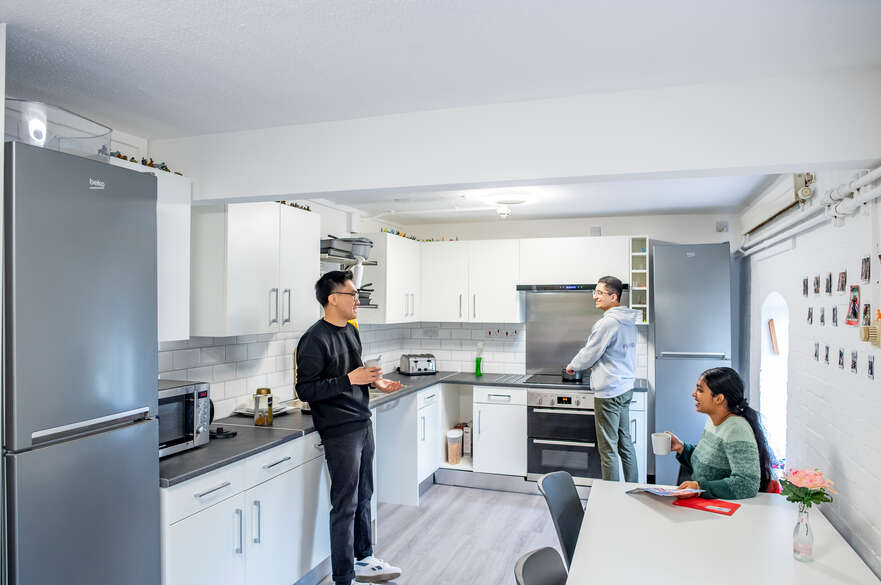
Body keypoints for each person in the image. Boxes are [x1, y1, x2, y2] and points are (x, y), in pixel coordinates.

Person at [296, 270, 403, 585]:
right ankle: (343, 577)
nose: (358, 300)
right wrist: (348, 380)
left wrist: (377, 381)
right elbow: (306, 390)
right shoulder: (314, 339)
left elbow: (356, 370)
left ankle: (364, 558)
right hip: (339, 429)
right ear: (333, 299)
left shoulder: (350, 330)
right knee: (345, 504)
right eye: (352, 294)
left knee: (365, 494)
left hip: (361, 420)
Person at [565, 275, 640, 482]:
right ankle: (633, 488)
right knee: (626, 443)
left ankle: (612, 497)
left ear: (613, 296)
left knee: (608, 449)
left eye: (600, 293)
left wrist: (573, 366)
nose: (595, 297)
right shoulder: (627, 321)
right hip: (625, 388)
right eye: (594, 292)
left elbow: (590, 352)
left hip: (609, 392)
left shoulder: (607, 323)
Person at [666, 367, 774, 500]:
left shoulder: (737, 429)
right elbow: (707, 462)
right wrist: (681, 447)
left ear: (719, 399)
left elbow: (747, 484)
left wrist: (699, 487)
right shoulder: (713, 421)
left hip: (721, 508)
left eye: (700, 390)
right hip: (702, 501)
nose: (693, 394)